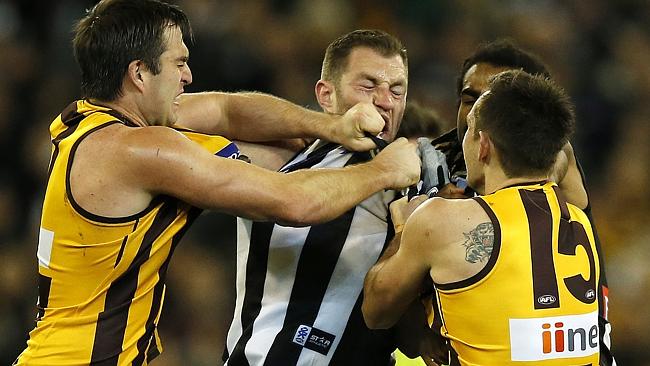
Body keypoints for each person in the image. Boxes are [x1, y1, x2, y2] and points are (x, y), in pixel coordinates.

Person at [13, 1, 421, 364]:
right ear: (139, 74)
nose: (189, 76)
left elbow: (226, 110)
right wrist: (386, 170)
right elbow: (294, 202)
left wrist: (330, 126)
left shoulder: (85, 122)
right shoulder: (142, 149)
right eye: (178, 63)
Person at [223, 29, 437, 366]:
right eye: (368, 86)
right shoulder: (279, 159)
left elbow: (414, 342)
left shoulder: (416, 188)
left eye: (397, 91)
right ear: (326, 94)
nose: (385, 101)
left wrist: (405, 238)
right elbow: (194, 115)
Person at [363, 70, 602, 365]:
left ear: (484, 145)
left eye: (470, 131)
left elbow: (376, 313)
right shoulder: (580, 220)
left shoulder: (441, 221)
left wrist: (404, 227)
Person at [430, 39, 614, 365]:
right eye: (470, 99)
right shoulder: (432, 165)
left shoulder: (556, 161)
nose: (478, 112)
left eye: (497, 101)